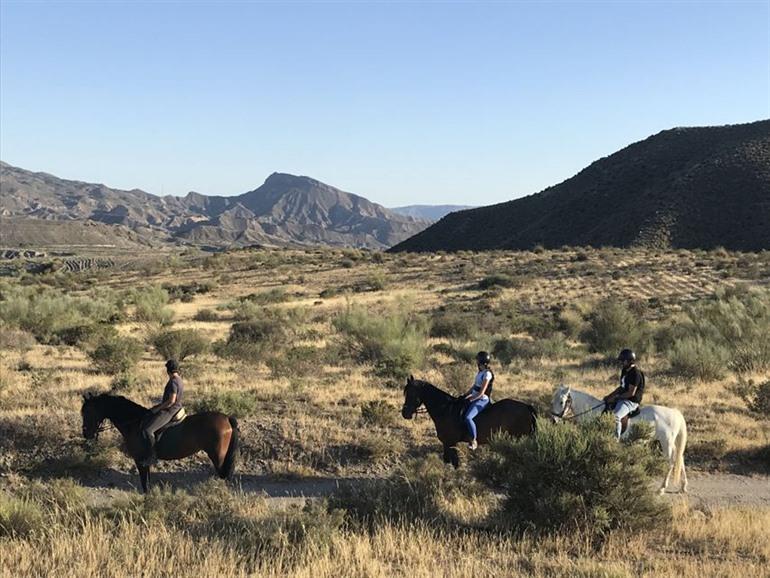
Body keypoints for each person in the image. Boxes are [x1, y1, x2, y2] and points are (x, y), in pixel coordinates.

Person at [139, 359, 185, 466]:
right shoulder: (179, 379)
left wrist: (157, 408)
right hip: (178, 408)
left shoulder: (173, 381)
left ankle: (152, 457)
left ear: (168, 370)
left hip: (170, 411)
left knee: (147, 430)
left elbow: (171, 401)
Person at [603, 348, 644, 439]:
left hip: (631, 401)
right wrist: (609, 396)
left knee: (616, 417)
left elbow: (631, 393)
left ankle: (615, 440)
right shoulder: (625, 371)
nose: (621, 363)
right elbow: (621, 387)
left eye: (623, 361)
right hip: (624, 398)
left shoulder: (635, 374)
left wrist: (617, 397)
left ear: (629, 361)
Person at [462, 351, 494, 450]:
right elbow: (474, 386)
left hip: (482, 400)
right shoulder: (480, 372)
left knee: (468, 417)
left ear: (481, 361)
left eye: (477, 360)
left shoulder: (487, 374)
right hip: (475, 396)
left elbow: (481, 393)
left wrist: (472, 399)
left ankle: (474, 440)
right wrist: (465, 394)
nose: (476, 361)